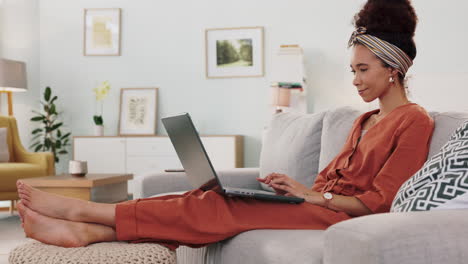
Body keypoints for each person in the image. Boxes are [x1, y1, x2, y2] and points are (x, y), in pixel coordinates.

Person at [16, 0, 434, 249]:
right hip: (315, 205)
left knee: (217, 205)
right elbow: (328, 181)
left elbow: (379, 202)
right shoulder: (364, 118)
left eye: (363, 70)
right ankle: (90, 233)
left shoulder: (413, 121)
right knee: (197, 195)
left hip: (343, 219)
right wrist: (295, 190)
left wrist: (312, 197)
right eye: (353, 70)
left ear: (393, 69)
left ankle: (79, 209)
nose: (355, 80)